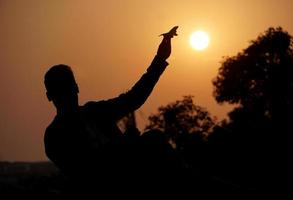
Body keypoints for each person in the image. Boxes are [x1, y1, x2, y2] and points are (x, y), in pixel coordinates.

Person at [43, 29, 177, 193]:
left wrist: (159, 60)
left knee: (154, 138)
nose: (67, 93)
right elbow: (86, 173)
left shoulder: (94, 111)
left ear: (76, 87)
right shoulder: (54, 136)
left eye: (69, 86)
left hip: (134, 175)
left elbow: (132, 99)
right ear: (50, 96)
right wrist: (124, 147)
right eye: (60, 89)